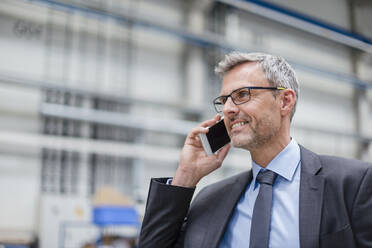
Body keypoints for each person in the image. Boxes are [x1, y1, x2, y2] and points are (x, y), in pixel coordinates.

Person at [138, 52, 372, 248]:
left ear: (285, 101)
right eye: (224, 100)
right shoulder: (211, 199)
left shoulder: (353, 183)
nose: (228, 109)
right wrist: (186, 176)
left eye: (242, 95)